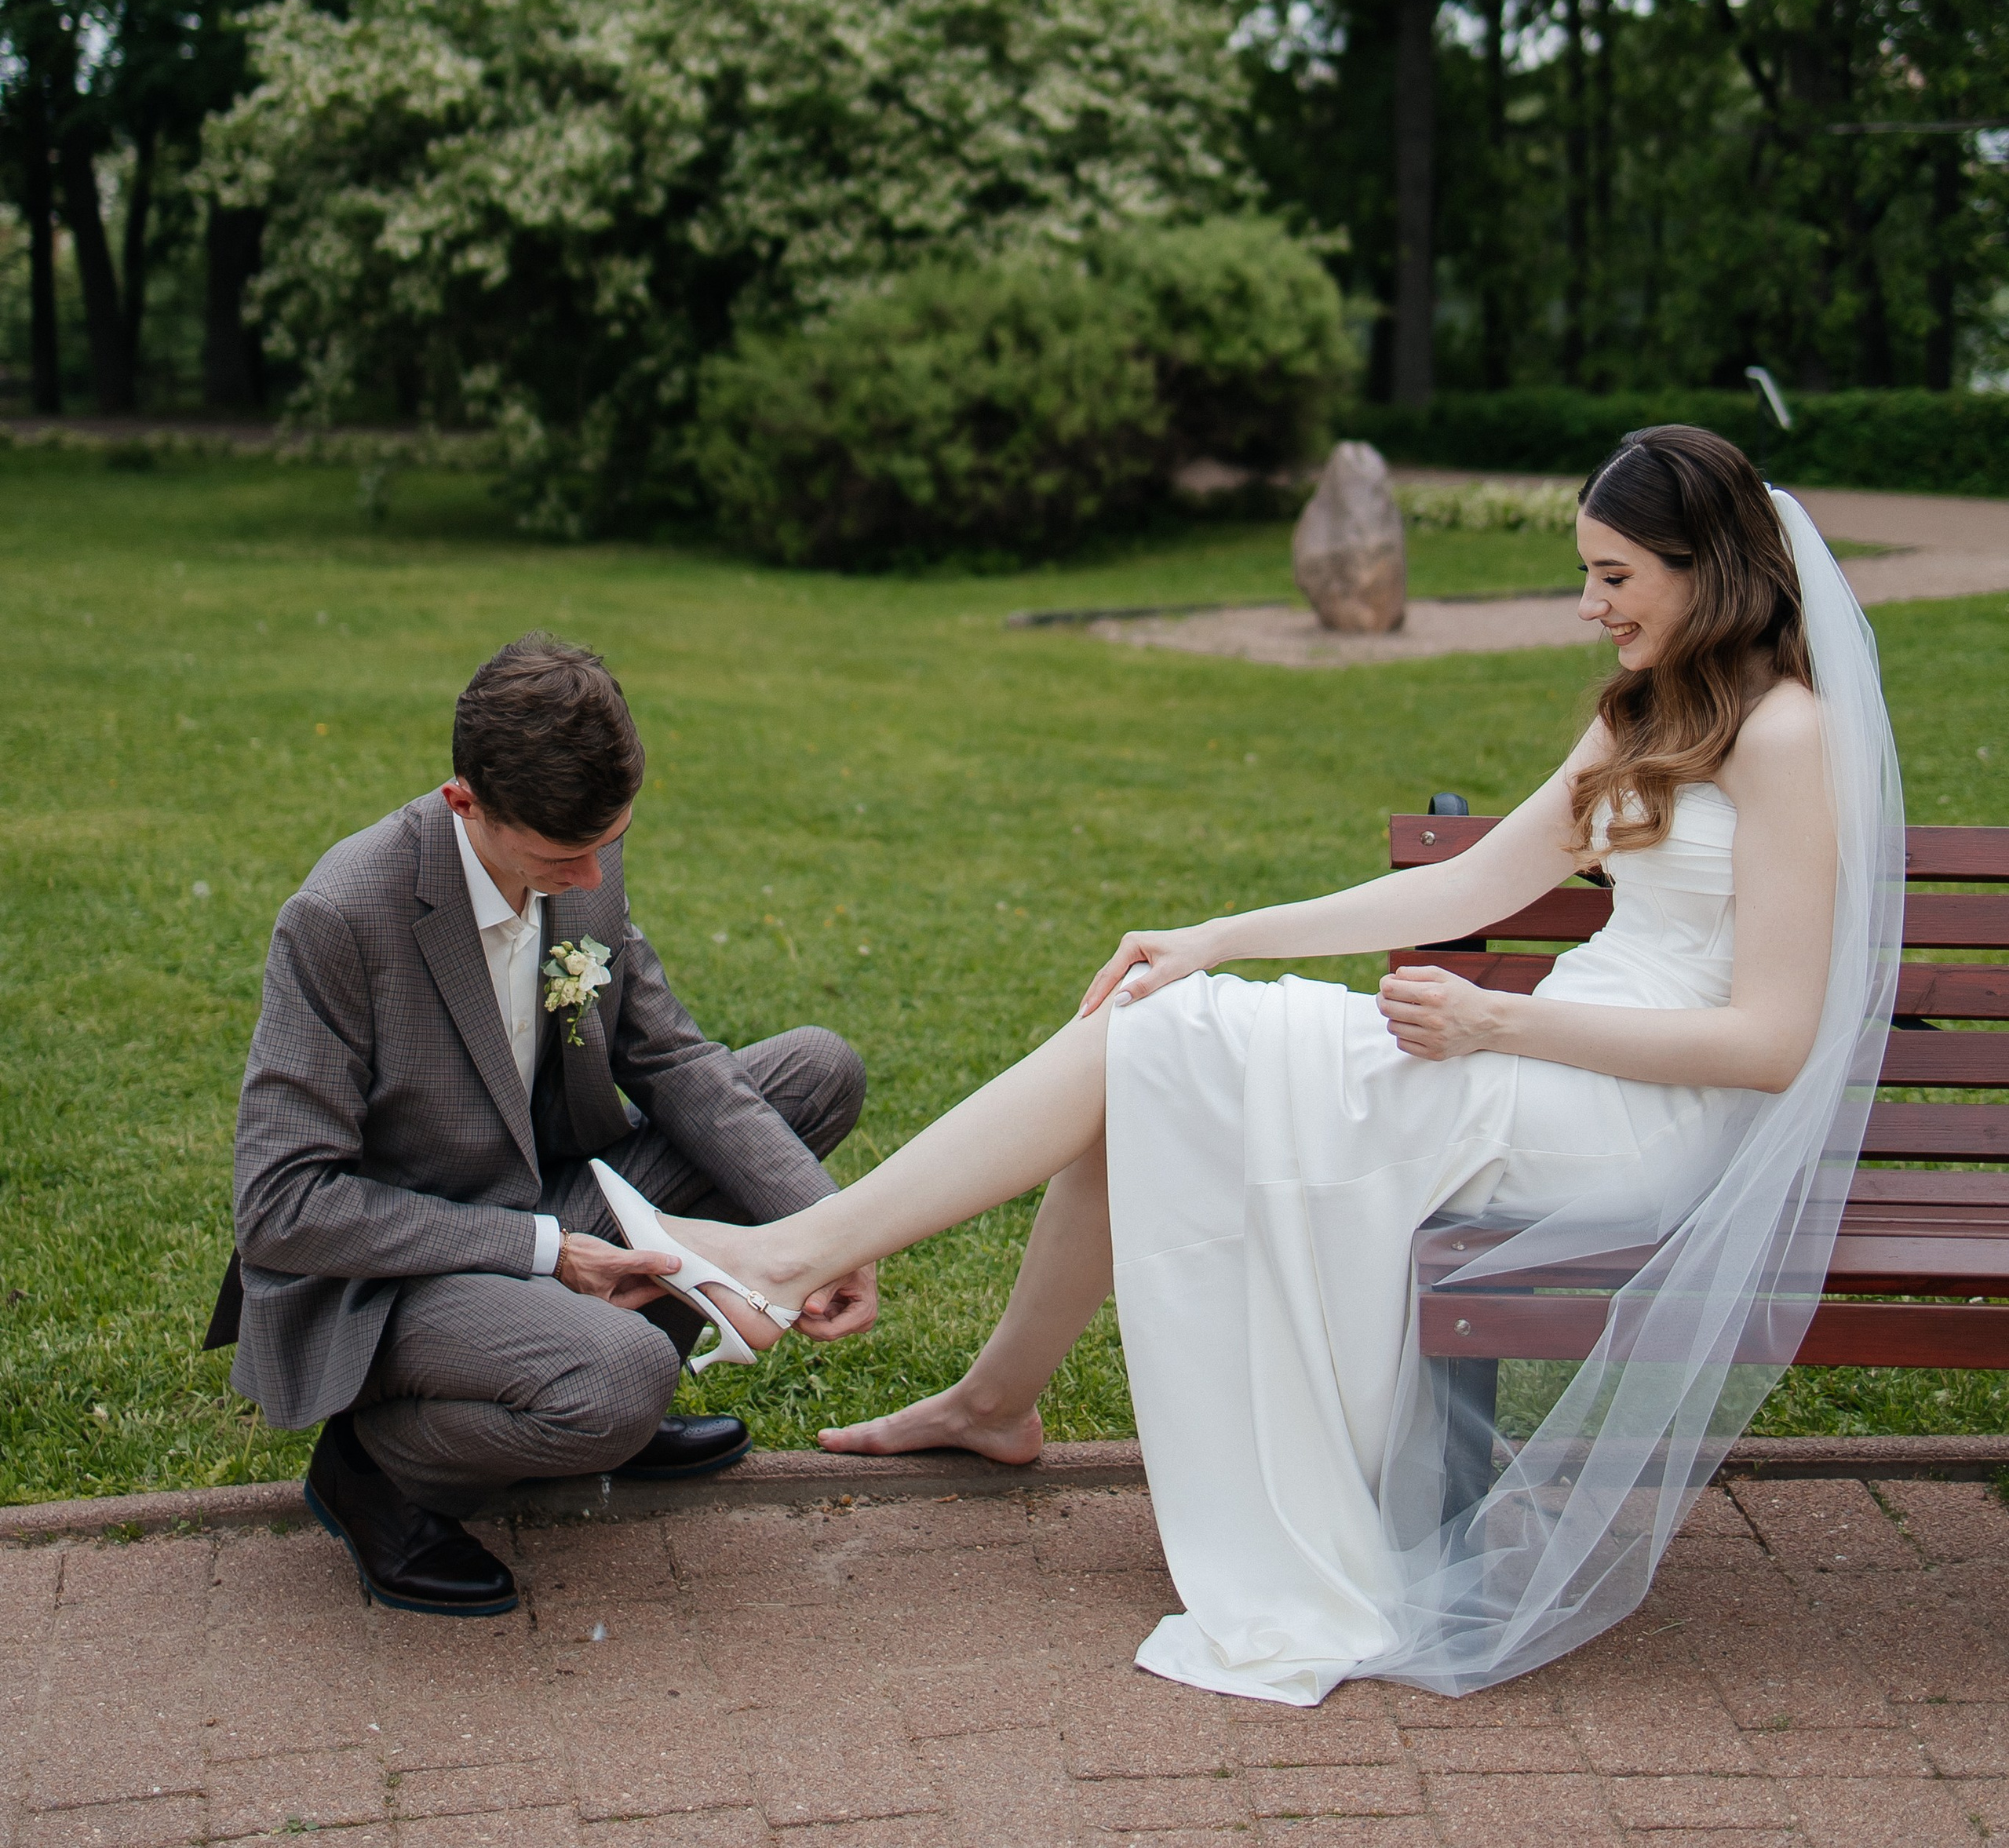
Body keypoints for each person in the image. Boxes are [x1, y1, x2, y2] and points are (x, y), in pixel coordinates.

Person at [614, 427, 1902, 1700]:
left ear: (1709, 565)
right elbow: (1471, 878)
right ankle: (980, 1388)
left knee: (1155, 1051)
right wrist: (1218, 935)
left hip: (1640, 1122)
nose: (1588, 605)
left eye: (1616, 576)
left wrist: (1502, 1021)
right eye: (1588, 572)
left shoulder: (1788, 735)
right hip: (1544, 1071)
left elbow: (1772, 1045)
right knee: (1158, 1053)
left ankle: (795, 1262)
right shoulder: (1655, 706)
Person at [215, 632, 877, 1617]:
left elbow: (671, 1059)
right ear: (463, 803)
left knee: (816, 1072)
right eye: (564, 858)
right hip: (397, 1277)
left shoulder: (585, 854)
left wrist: (829, 1237)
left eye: (609, 843)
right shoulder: (341, 917)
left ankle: (563, 1362)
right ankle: (373, 1471)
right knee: (621, 1381)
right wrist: (543, 1252)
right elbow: (281, 1207)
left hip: (548, 1194)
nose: (589, 879)